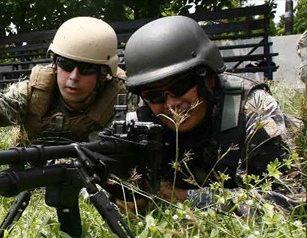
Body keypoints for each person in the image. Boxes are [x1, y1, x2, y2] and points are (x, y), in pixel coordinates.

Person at [120, 15, 303, 214]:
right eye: (154, 96)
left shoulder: (253, 108)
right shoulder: (141, 123)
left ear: (208, 77)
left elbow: (290, 201)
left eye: (181, 86)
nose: (171, 104)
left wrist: (184, 198)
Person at [0, 17, 126, 146]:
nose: (74, 77)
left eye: (87, 68)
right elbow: (4, 104)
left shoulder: (120, 102)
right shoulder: (36, 90)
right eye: (66, 64)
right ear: (55, 64)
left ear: (103, 73)